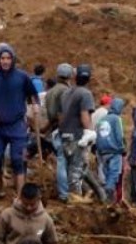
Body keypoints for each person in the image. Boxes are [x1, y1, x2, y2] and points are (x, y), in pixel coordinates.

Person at [0, 43, 39, 197]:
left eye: (8, 58)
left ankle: (20, 194)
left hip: (17, 126)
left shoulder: (22, 77)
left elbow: (33, 95)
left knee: (18, 160)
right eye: (2, 58)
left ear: (13, 59)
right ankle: (1, 182)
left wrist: (34, 105)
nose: (5, 61)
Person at [54, 63, 94, 201]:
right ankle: (75, 200)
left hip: (64, 134)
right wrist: (89, 132)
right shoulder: (86, 94)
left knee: (64, 167)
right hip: (77, 136)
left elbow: (60, 115)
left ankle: (65, 195)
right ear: (89, 79)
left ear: (75, 77)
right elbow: (84, 115)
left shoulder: (66, 93)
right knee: (76, 171)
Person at [95, 96, 126, 203]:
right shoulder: (116, 119)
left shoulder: (102, 119)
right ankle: (109, 196)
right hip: (114, 151)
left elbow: (98, 135)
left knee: (106, 172)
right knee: (114, 173)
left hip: (102, 152)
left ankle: (105, 195)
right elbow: (119, 135)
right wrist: (122, 148)